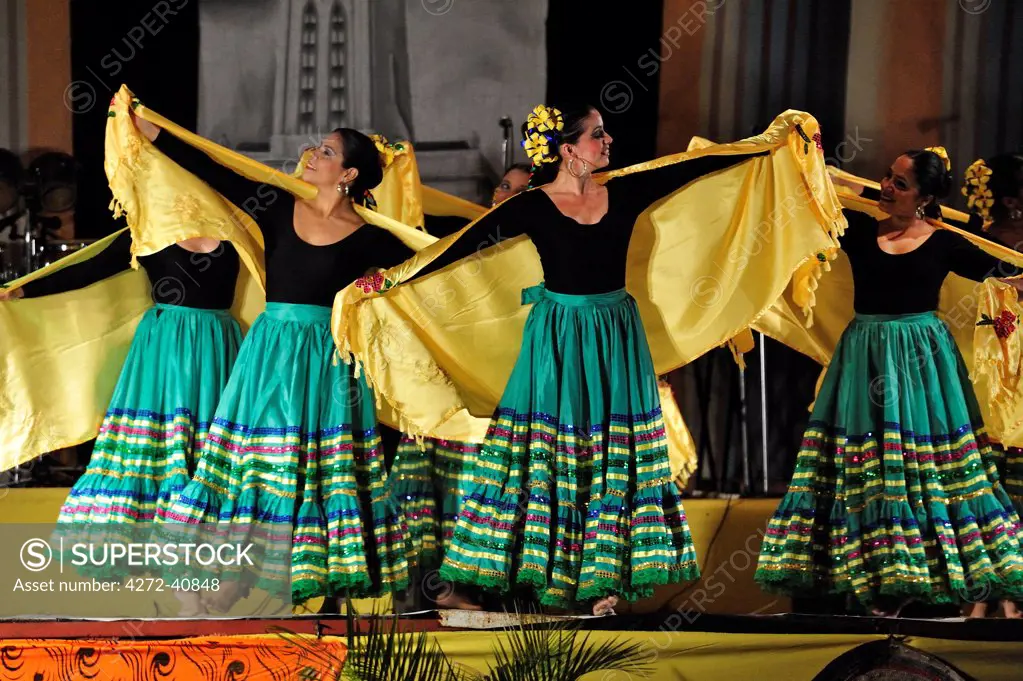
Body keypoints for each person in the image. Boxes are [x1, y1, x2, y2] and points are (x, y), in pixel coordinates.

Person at [129, 111, 420, 607]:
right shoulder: (278, 207)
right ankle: (221, 589)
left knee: (320, 470)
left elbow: (428, 267)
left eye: (327, 152)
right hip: (267, 358)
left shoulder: (372, 236)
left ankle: (324, 587)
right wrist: (150, 128)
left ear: (348, 174)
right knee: (257, 464)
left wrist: (378, 284)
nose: (313, 155)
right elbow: (216, 171)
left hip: (327, 362)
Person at [755, 148, 1023, 615]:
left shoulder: (945, 243)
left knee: (921, 466)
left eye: (900, 183)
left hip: (922, 362)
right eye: (886, 176)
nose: (886, 186)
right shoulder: (858, 230)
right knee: (867, 462)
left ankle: (921, 576)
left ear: (923, 197)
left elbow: (1005, 274)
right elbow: (810, 192)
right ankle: (870, 578)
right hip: (865, 357)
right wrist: (800, 148)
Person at [960, 152, 1023, 618]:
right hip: (991, 389)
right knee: (991, 487)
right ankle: (991, 598)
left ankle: (1004, 600)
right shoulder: (979, 251)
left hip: (1008, 393)